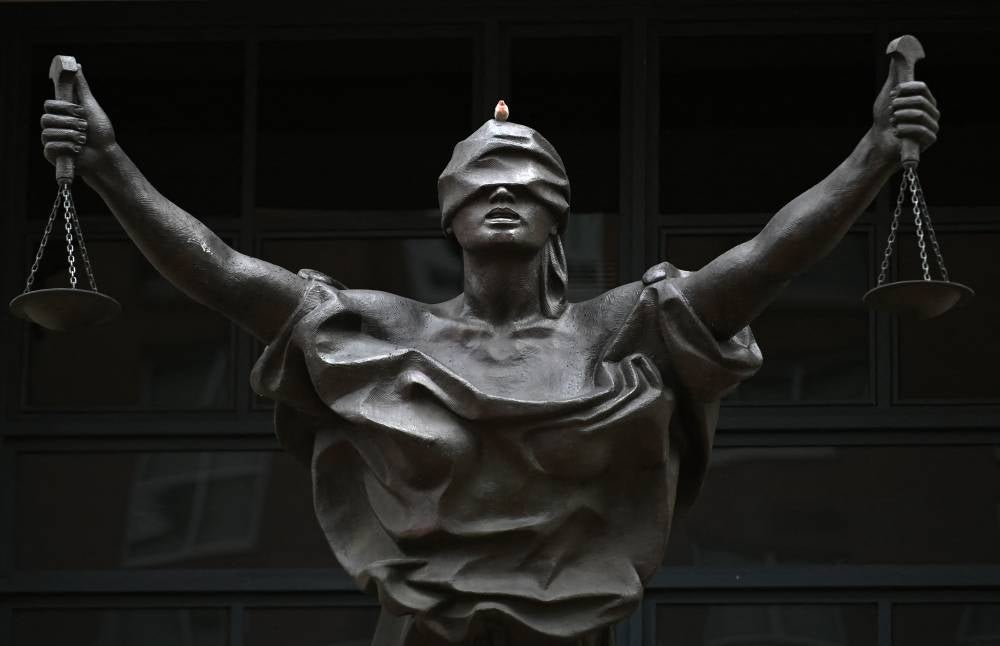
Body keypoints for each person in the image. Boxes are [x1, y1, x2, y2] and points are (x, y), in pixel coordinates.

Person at [41, 64, 939, 646]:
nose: (503, 192)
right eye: (481, 180)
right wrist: (112, 163)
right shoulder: (383, 331)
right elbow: (228, 275)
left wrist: (871, 156)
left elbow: (766, 260)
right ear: (449, 214)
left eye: (527, 183)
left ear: (560, 217)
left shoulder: (621, 327)